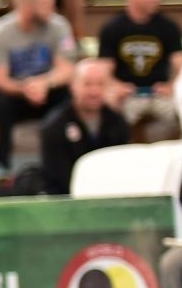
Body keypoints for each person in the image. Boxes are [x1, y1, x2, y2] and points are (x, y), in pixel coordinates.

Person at [0, 0, 76, 171]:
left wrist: (44, 83)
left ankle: (66, 165)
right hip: (16, 94)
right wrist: (26, 88)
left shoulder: (59, 26)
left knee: (69, 94)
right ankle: (1, 170)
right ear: (27, 7)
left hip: (48, 90)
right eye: (46, 3)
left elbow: (66, 69)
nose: (53, 8)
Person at [98, 0, 182, 139]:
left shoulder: (169, 27)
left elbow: (181, 65)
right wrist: (116, 86)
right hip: (128, 95)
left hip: (160, 94)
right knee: (107, 102)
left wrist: (173, 86)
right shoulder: (113, 28)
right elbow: (103, 71)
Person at [40, 59, 128, 196]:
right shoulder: (54, 126)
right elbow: (57, 178)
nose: (94, 91)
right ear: (73, 86)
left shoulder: (117, 123)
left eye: (101, 84)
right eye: (87, 84)